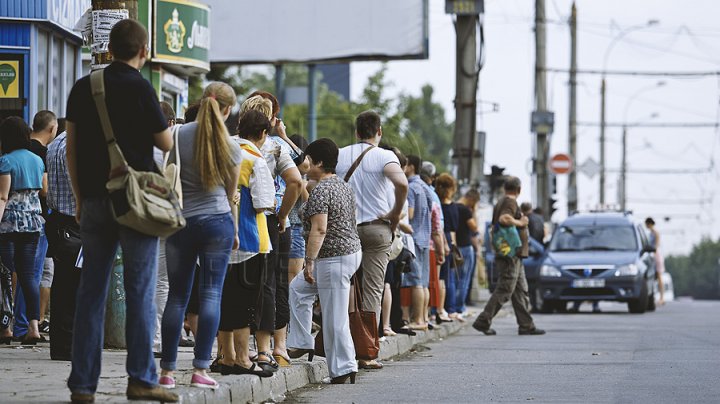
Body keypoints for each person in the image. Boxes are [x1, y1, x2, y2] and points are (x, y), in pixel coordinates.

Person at [64, 19, 177, 403]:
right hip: (135, 202)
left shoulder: (84, 87)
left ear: (109, 47)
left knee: (90, 292)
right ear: (143, 52)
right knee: (141, 291)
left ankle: (82, 386)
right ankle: (141, 379)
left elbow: (71, 150)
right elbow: (163, 140)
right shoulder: (142, 88)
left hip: (95, 199)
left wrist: (80, 198)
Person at [158, 82, 242, 390]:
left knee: (177, 297)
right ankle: (201, 369)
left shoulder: (177, 134)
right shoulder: (231, 145)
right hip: (217, 222)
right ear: (227, 109)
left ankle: (166, 373)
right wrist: (232, 230)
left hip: (180, 222)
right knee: (210, 295)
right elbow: (230, 193)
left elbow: (168, 175)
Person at [335, 111, 408, 369]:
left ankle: (344, 347)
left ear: (356, 132)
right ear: (379, 131)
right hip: (377, 229)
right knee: (373, 290)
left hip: (345, 230)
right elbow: (401, 184)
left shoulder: (340, 154)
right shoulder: (385, 156)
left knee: (346, 287)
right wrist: (396, 214)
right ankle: (366, 352)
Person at [287, 138, 362, 384]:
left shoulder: (322, 189)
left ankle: (344, 368)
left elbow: (319, 230)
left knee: (334, 315)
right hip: (345, 254)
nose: (306, 162)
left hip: (333, 258)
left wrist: (309, 262)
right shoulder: (341, 185)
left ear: (319, 162)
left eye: (309, 159)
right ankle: (301, 342)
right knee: (298, 290)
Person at [216, 106, 275, 378]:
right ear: (262, 133)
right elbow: (264, 203)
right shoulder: (255, 159)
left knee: (222, 299)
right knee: (244, 300)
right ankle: (242, 358)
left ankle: (225, 356)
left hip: (216, 236)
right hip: (250, 240)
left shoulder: (219, 150)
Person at [245, 91, 302, 370]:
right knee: (278, 284)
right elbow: (298, 178)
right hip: (278, 222)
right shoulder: (278, 145)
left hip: (247, 220)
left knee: (247, 282)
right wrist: (283, 214)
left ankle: (249, 347)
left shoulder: (238, 145)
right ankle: (279, 348)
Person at [472, 177, 545, 336]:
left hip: (514, 255)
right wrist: (521, 222)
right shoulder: (510, 203)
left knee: (520, 290)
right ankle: (483, 321)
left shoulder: (501, 201)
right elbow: (504, 219)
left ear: (505, 188)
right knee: (505, 289)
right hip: (510, 255)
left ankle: (526, 325)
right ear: (519, 190)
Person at [0, 117, 46, 346]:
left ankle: (6, 327)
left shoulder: (5, 161)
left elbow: (2, 196)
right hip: (33, 224)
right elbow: (42, 190)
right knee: (28, 276)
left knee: (6, 274)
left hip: (9, 224)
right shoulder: (37, 160)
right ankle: (34, 326)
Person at [46, 124, 81, 361]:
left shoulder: (56, 142)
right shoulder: (77, 143)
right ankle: (71, 345)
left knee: (62, 285)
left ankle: (61, 344)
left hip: (58, 221)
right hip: (76, 222)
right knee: (76, 287)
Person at [28, 110, 57, 336]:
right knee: (43, 272)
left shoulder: (16, 149)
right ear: (52, 129)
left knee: (19, 270)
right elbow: (45, 189)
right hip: (39, 218)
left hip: (14, 219)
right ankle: (36, 319)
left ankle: (18, 318)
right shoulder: (45, 153)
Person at [401, 155, 433, 329]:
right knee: (424, 282)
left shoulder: (412, 187)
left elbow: (410, 214)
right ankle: (424, 318)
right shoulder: (425, 187)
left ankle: (417, 320)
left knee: (415, 281)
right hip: (425, 237)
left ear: (411, 167)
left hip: (414, 238)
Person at [435, 173, 462, 321]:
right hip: (447, 241)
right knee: (447, 278)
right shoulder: (453, 207)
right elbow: (453, 229)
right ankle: (447, 308)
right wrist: (453, 246)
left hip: (435, 238)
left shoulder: (436, 202)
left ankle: (436, 309)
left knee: (436, 277)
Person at [455, 189, 481, 316]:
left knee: (455, 278)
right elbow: (474, 227)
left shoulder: (454, 206)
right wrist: (474, 211)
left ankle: (453, 305)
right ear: (472, 199)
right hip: (465, 246)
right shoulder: (465, 210)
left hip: (456, 246)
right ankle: (460, 306)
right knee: (464, 279)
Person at [645, 217, 665, 306]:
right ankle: (656, 297)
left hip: (656, 255)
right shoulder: (651, 233)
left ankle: (662, 298)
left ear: (649, 223)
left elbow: (656, 245)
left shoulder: (655, 233)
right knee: (653, 277)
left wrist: (653, 254)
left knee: (659, 276)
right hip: (652, 255)